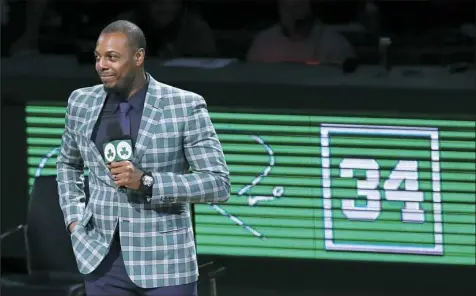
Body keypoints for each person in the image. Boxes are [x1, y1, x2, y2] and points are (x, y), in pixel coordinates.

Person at [56, 20, 230, 295]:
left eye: (112, 57)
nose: (102, 65)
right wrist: (74, 220)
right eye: (98, 57)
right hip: (101, 260)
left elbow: (218, 184)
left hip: (166, 263)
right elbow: (68, 163)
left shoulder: (184, 106)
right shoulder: (81, 102)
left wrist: (148, 182)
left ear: (139, 57)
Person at [246, 0, 355, 64]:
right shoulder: (262, 44)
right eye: (287, 7)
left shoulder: (335, 46)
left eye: (297, 6)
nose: (292, 10)